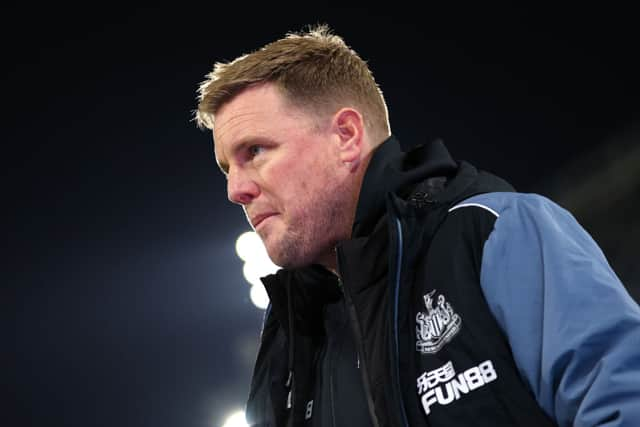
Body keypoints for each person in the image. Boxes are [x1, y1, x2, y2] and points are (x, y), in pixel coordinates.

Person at [194, 25, 640, 427]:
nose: (236, 189)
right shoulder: (288, 332)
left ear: (346, 136)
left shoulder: (497, 234)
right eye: (225, 167)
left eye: (254, 151)